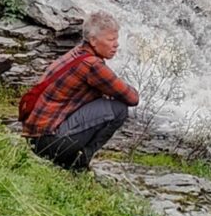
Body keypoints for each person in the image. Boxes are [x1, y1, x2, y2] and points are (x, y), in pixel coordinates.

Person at [22, 10, 139, 170]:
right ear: (93, 40)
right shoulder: (92, 65)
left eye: (116, 38)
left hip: (35, 138)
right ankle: (79, 162)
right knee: (118, 109)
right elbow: (132, 98)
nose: (116, 44)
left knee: (105, 101)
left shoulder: (77, 53)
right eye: (111, 39)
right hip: (49, 142)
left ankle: (73, 159)